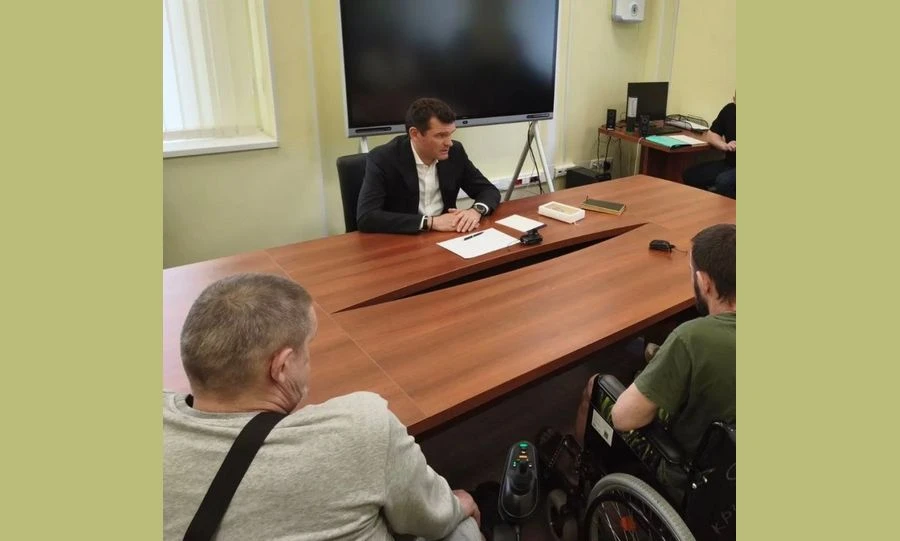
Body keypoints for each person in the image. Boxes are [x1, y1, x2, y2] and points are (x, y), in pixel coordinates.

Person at [164, 273, 482, 541]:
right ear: (282, 367)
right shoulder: (361, 426)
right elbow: (433, 519)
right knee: (461, 524)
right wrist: (460, 503)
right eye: (308, 346)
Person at [575, 223, 736, 499]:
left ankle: (579, 471)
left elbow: (624, 418)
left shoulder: (692, 339)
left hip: (687, 474)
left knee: (595, 386)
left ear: (704, 282)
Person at [357, 98, 501, 235]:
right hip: (403, 239)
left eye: (450, 134)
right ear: (415, 134)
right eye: (440, 135)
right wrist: (431, 222)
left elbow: (488, 190)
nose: (449, 143)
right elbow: (367, 217)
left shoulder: (455, 152)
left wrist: (475, 211)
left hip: (446, 235)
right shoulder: (383, 158)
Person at [682, 94, 736, 199]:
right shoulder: (729, 110)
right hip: (729, 163)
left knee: (723, 181)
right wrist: (724, 146)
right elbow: (711, 135)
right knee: (690, 176)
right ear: (734, 99)